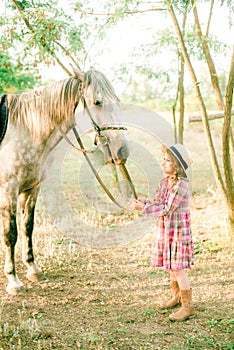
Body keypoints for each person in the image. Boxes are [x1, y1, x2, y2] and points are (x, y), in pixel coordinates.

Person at [131, 143, 194, 321]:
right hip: (167, 232)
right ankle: (176, 296)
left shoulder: (181, 186)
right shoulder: (165, 183)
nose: (163, 163)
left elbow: (166, 209)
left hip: (178, 234)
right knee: (172, 270)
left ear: (177, 165)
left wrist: (142, 209)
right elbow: (158, 203)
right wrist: (145, 203)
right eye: (164, 159)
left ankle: (188, 307)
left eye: (168, 160)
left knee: (178, 269)